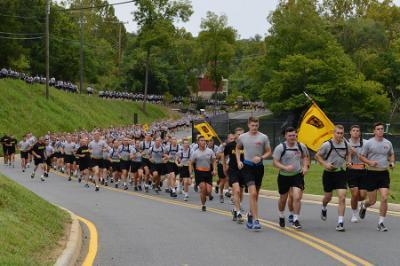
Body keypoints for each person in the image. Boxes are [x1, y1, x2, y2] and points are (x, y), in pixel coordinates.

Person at [236, 117, 271, 231]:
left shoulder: (263, 137)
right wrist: (238, 161)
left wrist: (261, 157)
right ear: (248, 125)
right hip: (247, 167)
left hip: (259, 168)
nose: (254, 127)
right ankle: (256, 220)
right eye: (252, 125)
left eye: (256, 125)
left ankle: (251, 214)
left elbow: (269, 151)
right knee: (253, 193)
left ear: (258, 125)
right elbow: (237, 148)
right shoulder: (242, 137)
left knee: (256, 195)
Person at [359, 122, 395, 231]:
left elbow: (391, 154)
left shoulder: (388, 143)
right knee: (372, 201)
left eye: (382, 129)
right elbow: (361, 156)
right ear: (374, 131)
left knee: (384, 197)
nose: (380, 131)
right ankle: (364, 206)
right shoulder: (369, 143)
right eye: (378, 129)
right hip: (371, 173)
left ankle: (381, 223)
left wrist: (392, 162)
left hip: (383, 173)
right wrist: (369, 162)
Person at [315, 125, 351, 232]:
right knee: (328, 197)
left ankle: (340, 222)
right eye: (338, 133)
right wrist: (325, 164)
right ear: (333, 133)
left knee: (342, 197)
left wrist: (348, 161)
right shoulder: (327, 145)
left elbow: (349, 153)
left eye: (341, 133)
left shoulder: (346, 143)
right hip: (328, 174)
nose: (340, 135)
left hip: (340, 173)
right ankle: (324, 207)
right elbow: (317, 156)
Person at [272, 127, 309, 229]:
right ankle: (281, 215)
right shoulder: (280, 148)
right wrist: (285, 167)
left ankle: (295, 219)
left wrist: (305, 167)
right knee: (283, 199)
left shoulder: (301, 146)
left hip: (297, 175)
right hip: (284, 176)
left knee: (297, 197)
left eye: (294, 135)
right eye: (290, 135)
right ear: (285, 136)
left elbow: (305, 157)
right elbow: (275, 162)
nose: (293, 137)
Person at [189, 135, 217, 211]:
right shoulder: (195, 153)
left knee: (208, 191)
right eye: (201, 140)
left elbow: (214, 161)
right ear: (198, 142)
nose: (203, 142)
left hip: (208, 172)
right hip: (199, 173)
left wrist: (214, 170)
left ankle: (207, 195)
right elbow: (191, 163)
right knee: (203, 189)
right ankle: (203, 205)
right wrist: (191, 173)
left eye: (204, 140)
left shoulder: (210, 151)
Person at [347, 125, 368, 223]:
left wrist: (356, 153)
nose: (355, 132)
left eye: (357, 131)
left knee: (362, 196)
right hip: (351, 171)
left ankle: (362, 204)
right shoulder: (346, 143)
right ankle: (354, 214)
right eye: (353, 130)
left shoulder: (366, 143)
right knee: (354, 194)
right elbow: (346, 160)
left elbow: (367, 157)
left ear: (360, 133)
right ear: (350, 132)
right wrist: (350, 155)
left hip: (363, 170)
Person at [223, 129, 245, 223]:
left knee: (241, 192)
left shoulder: (246, 145)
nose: (240, 136)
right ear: (235, 135)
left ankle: (235, 210)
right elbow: (224, 156)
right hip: (233, 170)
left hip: (243, 170)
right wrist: (225, 167)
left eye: (242, 134)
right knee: (236, 190)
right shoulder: (229, 145)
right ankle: (239, 213)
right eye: (238, 134)